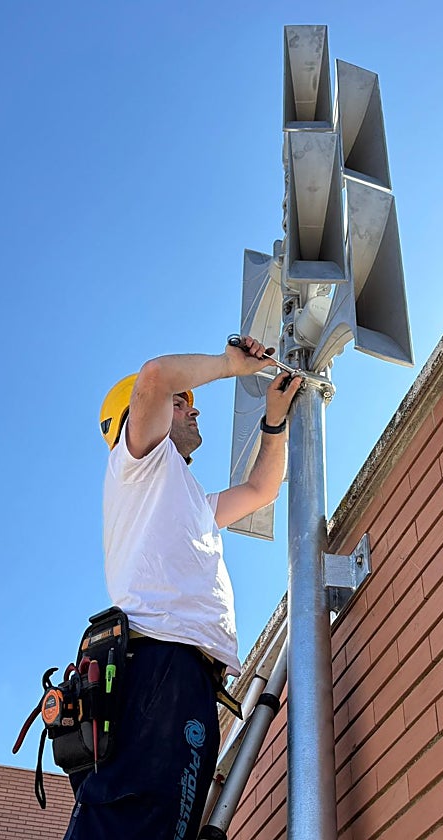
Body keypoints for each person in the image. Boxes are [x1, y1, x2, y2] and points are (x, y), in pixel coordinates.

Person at [63, 335, 302, 840]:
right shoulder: (138, 465)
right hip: (157, 667)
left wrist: (275, 421)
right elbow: (154, 376)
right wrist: (230, 365)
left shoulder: (187, 496)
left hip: (183, 676)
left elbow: (262, 490)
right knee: (132, 823)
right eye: (181, 403)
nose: (194, 412)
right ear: (138, 416)